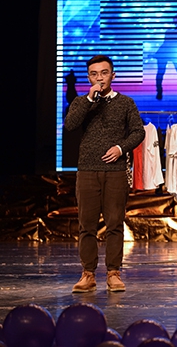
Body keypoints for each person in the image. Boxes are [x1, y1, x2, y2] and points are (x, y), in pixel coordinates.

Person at [64, 55, 145, 293]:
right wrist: (90, 99)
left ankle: (113, 273)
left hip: (116, 171)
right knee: (86, 225)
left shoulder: (126, 102)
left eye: (104, 73)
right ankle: (88, 274)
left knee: (114, 224)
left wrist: (121, 148)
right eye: (94, 74)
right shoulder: (81, 102)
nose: (99, 78)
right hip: (87, 170)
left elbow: (138, 132)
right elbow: (70, 125)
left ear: (113, 75)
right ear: (89, 77)